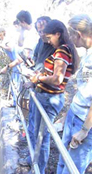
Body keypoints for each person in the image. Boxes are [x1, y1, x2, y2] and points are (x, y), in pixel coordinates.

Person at [29, 19, 79, 174]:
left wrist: (39, 78)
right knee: (40, 136)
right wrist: (42, 74)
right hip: (46, 97)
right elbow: (55, 75)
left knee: (42, 138)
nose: (48, 41)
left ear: (58, 34)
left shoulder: (62, 50)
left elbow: (57, 79)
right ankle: (37, 167)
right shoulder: (65, 50)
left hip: (49, 99)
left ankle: (39, 170)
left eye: (50, 37)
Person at [57, 14, 92, 174]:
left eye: (70, 35)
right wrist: (67, 113)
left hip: (84, 122)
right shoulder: (87, 54)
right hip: (74, 114)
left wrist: (85, 130)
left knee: (72, 169)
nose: (69, 39)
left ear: (78, 34)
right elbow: (83, 88)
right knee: (62, 161)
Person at [19, 16, 55, 167]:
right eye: (39, 31)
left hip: (47, 94)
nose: (42, 34)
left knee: (43, 134)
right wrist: (31, 65)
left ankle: (39, 166)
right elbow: (37, 60)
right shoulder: (41, 41)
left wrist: (35, 78)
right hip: (37, 89)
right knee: (33, 127)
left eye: (44, 31)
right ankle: (31, 158)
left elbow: (55, 76)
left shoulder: (58, 47)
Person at [0, 27, 20, 106]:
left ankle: (15, 102)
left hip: (17, 63)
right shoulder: (3, 42)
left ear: (3, 33)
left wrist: (1, 46)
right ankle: (14, 101)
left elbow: (10, 48)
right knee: (14, 82)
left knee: (16, 83)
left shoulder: (7, 40)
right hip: (14, 63)